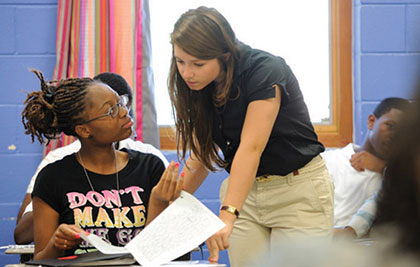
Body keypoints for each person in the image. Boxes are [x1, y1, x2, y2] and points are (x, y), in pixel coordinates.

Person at [168, 6, 333, 266]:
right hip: (247, 193)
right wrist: (167, 204)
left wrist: (228, 214)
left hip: (297, 191)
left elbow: (252, 147)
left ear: (224, 55)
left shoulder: (265, 69)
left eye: (198, 64)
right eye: (180, 62)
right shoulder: (198, 85)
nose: (187, 73)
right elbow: (200, 156)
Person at [21, 69, 183, 260]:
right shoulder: (53, 178)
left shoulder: (149, 167)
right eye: (111, 110)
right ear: (84, 130)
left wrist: (158, 203)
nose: (124, 112)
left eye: (120, 103)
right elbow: (41, 260)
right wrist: (57, 243)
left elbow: (162, 252)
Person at [321, 97, 410, 238]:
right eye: (390, 126)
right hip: (320, 244)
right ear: (371, 121)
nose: (395, 137)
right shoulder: (329, 161)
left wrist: (382, 167)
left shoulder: (399, 179)